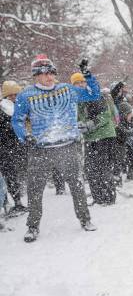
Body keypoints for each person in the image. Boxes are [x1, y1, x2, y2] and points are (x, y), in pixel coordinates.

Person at [11, 55, 99, 242]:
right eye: (44, 74)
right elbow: (17, 119)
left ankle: (85, 219)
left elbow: (94, 94)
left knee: (77, 186)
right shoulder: (26, 95)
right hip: (40, 149)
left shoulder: (67, 90)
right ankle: (32, 226)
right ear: (36, 76)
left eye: (51, 73)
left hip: (67, 146)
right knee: (35, 190)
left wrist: (87, 75)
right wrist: (24, 136)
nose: (49, 77)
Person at [75, 73, 118, 205]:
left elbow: (106, 115)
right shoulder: (77, 100)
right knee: (89, 168)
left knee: (102, 167)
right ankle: (98, 197)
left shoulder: (95, 95)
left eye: (82, 82)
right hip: (90, 138)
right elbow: (78, 118)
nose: (80, 85)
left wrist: (91, 123)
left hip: (104, 135)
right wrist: (79, 125)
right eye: (76, 83)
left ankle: (109, 197)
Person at [0, 80, 27, 215]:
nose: (14, 98)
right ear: (5, 96)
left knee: (14, 175)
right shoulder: (3, 109)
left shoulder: (19, 107)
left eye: (16, 95)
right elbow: (8, 129)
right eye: (11, 95)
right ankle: (9, 204)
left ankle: (17, 203)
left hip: (16, 147)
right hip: (4, 149)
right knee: (8, 176)